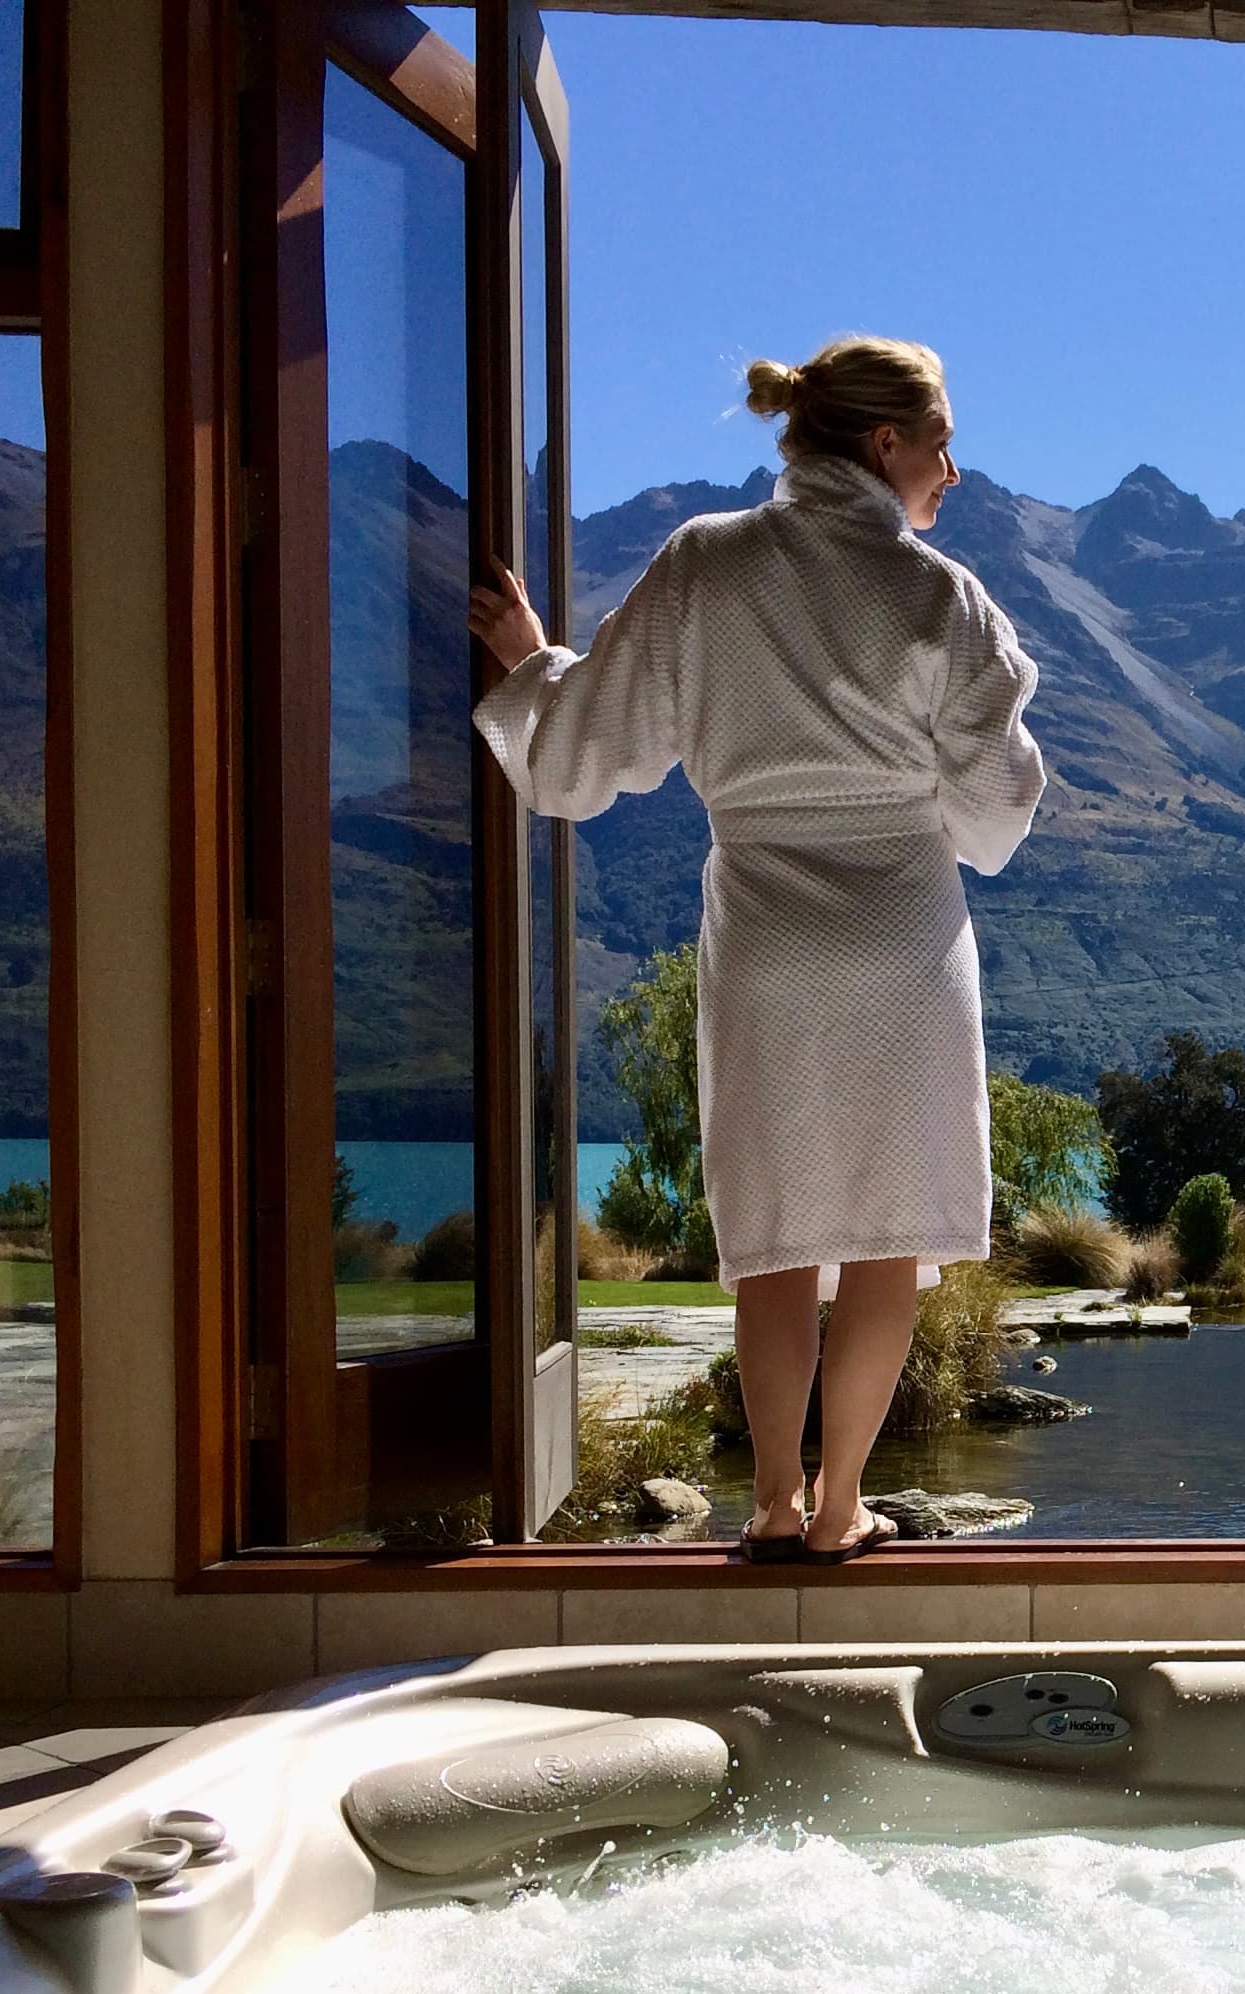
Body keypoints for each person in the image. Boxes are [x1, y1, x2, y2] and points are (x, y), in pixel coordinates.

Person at [469, 336, 1046, 1562]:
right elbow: (996, 813)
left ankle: (772, 1501)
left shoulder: (707, 564)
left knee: (779, 1235)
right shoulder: (942, 598)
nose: (953, 470)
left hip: (768, 940)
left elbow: (583, 753)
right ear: (884, 444)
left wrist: (532, 669)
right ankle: (843, 1511)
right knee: (890, 1236)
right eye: (942, 444)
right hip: (902, 939)